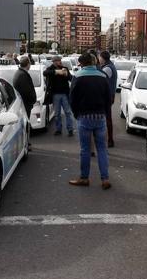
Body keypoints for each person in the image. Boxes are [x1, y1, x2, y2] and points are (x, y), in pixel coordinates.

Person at [69, 53, 111, 190]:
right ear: (93, 62)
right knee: (102, 149)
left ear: (82, 63)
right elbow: (108, 98)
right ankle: (105, 179)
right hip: (100, 117)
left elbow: (72, 99)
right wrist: (105, 113)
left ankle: (84, 178)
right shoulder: (103, 76)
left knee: (85, 149)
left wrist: (76, 114)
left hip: (84, 116)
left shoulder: (78, 77)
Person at [43, 55, 74, 136]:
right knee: (57, 114)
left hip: (65, 94)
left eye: (60, 60)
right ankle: (58, 129)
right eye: (58, 60)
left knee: (68, 112)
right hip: (55, 94)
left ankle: (70, 129)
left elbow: (71, 78)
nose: (60, 62)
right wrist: (56, 72)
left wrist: (66, 74)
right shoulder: (51, 69)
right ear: (54, 62)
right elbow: (45, 73)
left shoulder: (64, 68)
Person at [98, 50, 117, 148]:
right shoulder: (109, 66)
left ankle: (110, 139)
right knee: (106, 117)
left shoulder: (108, 68)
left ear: (103, 58)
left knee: (107, 118)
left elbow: (100, 80)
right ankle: (108, 139)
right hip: (109, 95)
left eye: (99, 57)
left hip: (107, 96)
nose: (98, 59)